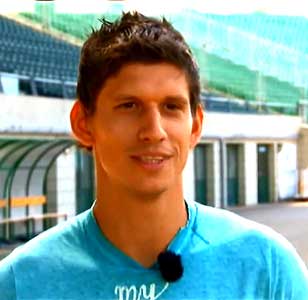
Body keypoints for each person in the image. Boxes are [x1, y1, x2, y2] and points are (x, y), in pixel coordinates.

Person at [0, 11, 308, 300]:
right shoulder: (21, 281)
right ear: (83, 123)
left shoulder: (266, 266)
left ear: (195, 126)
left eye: (171, 107)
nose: (154, 131)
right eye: (129, 106)